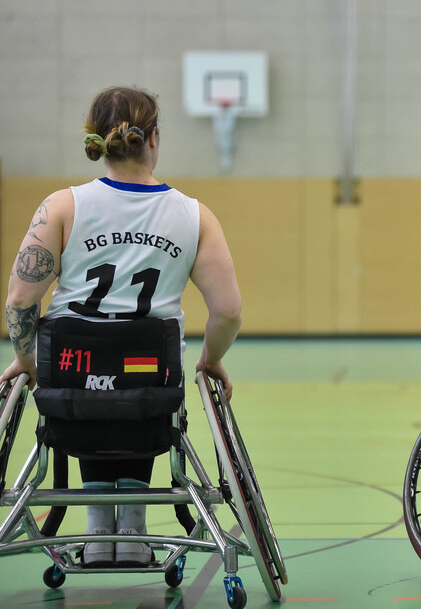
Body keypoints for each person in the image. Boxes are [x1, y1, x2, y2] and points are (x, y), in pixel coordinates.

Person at [2, 86, 242, 565]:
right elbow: (228, 311)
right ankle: (132, 527)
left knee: (89, 370)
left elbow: (21, 298)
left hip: (70, 380)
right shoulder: (195, 215)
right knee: (134, 374)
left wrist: (28, 361)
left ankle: (96, 530)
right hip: (151, 381)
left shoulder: (62, 207)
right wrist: (211, 360)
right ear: (153, 138)